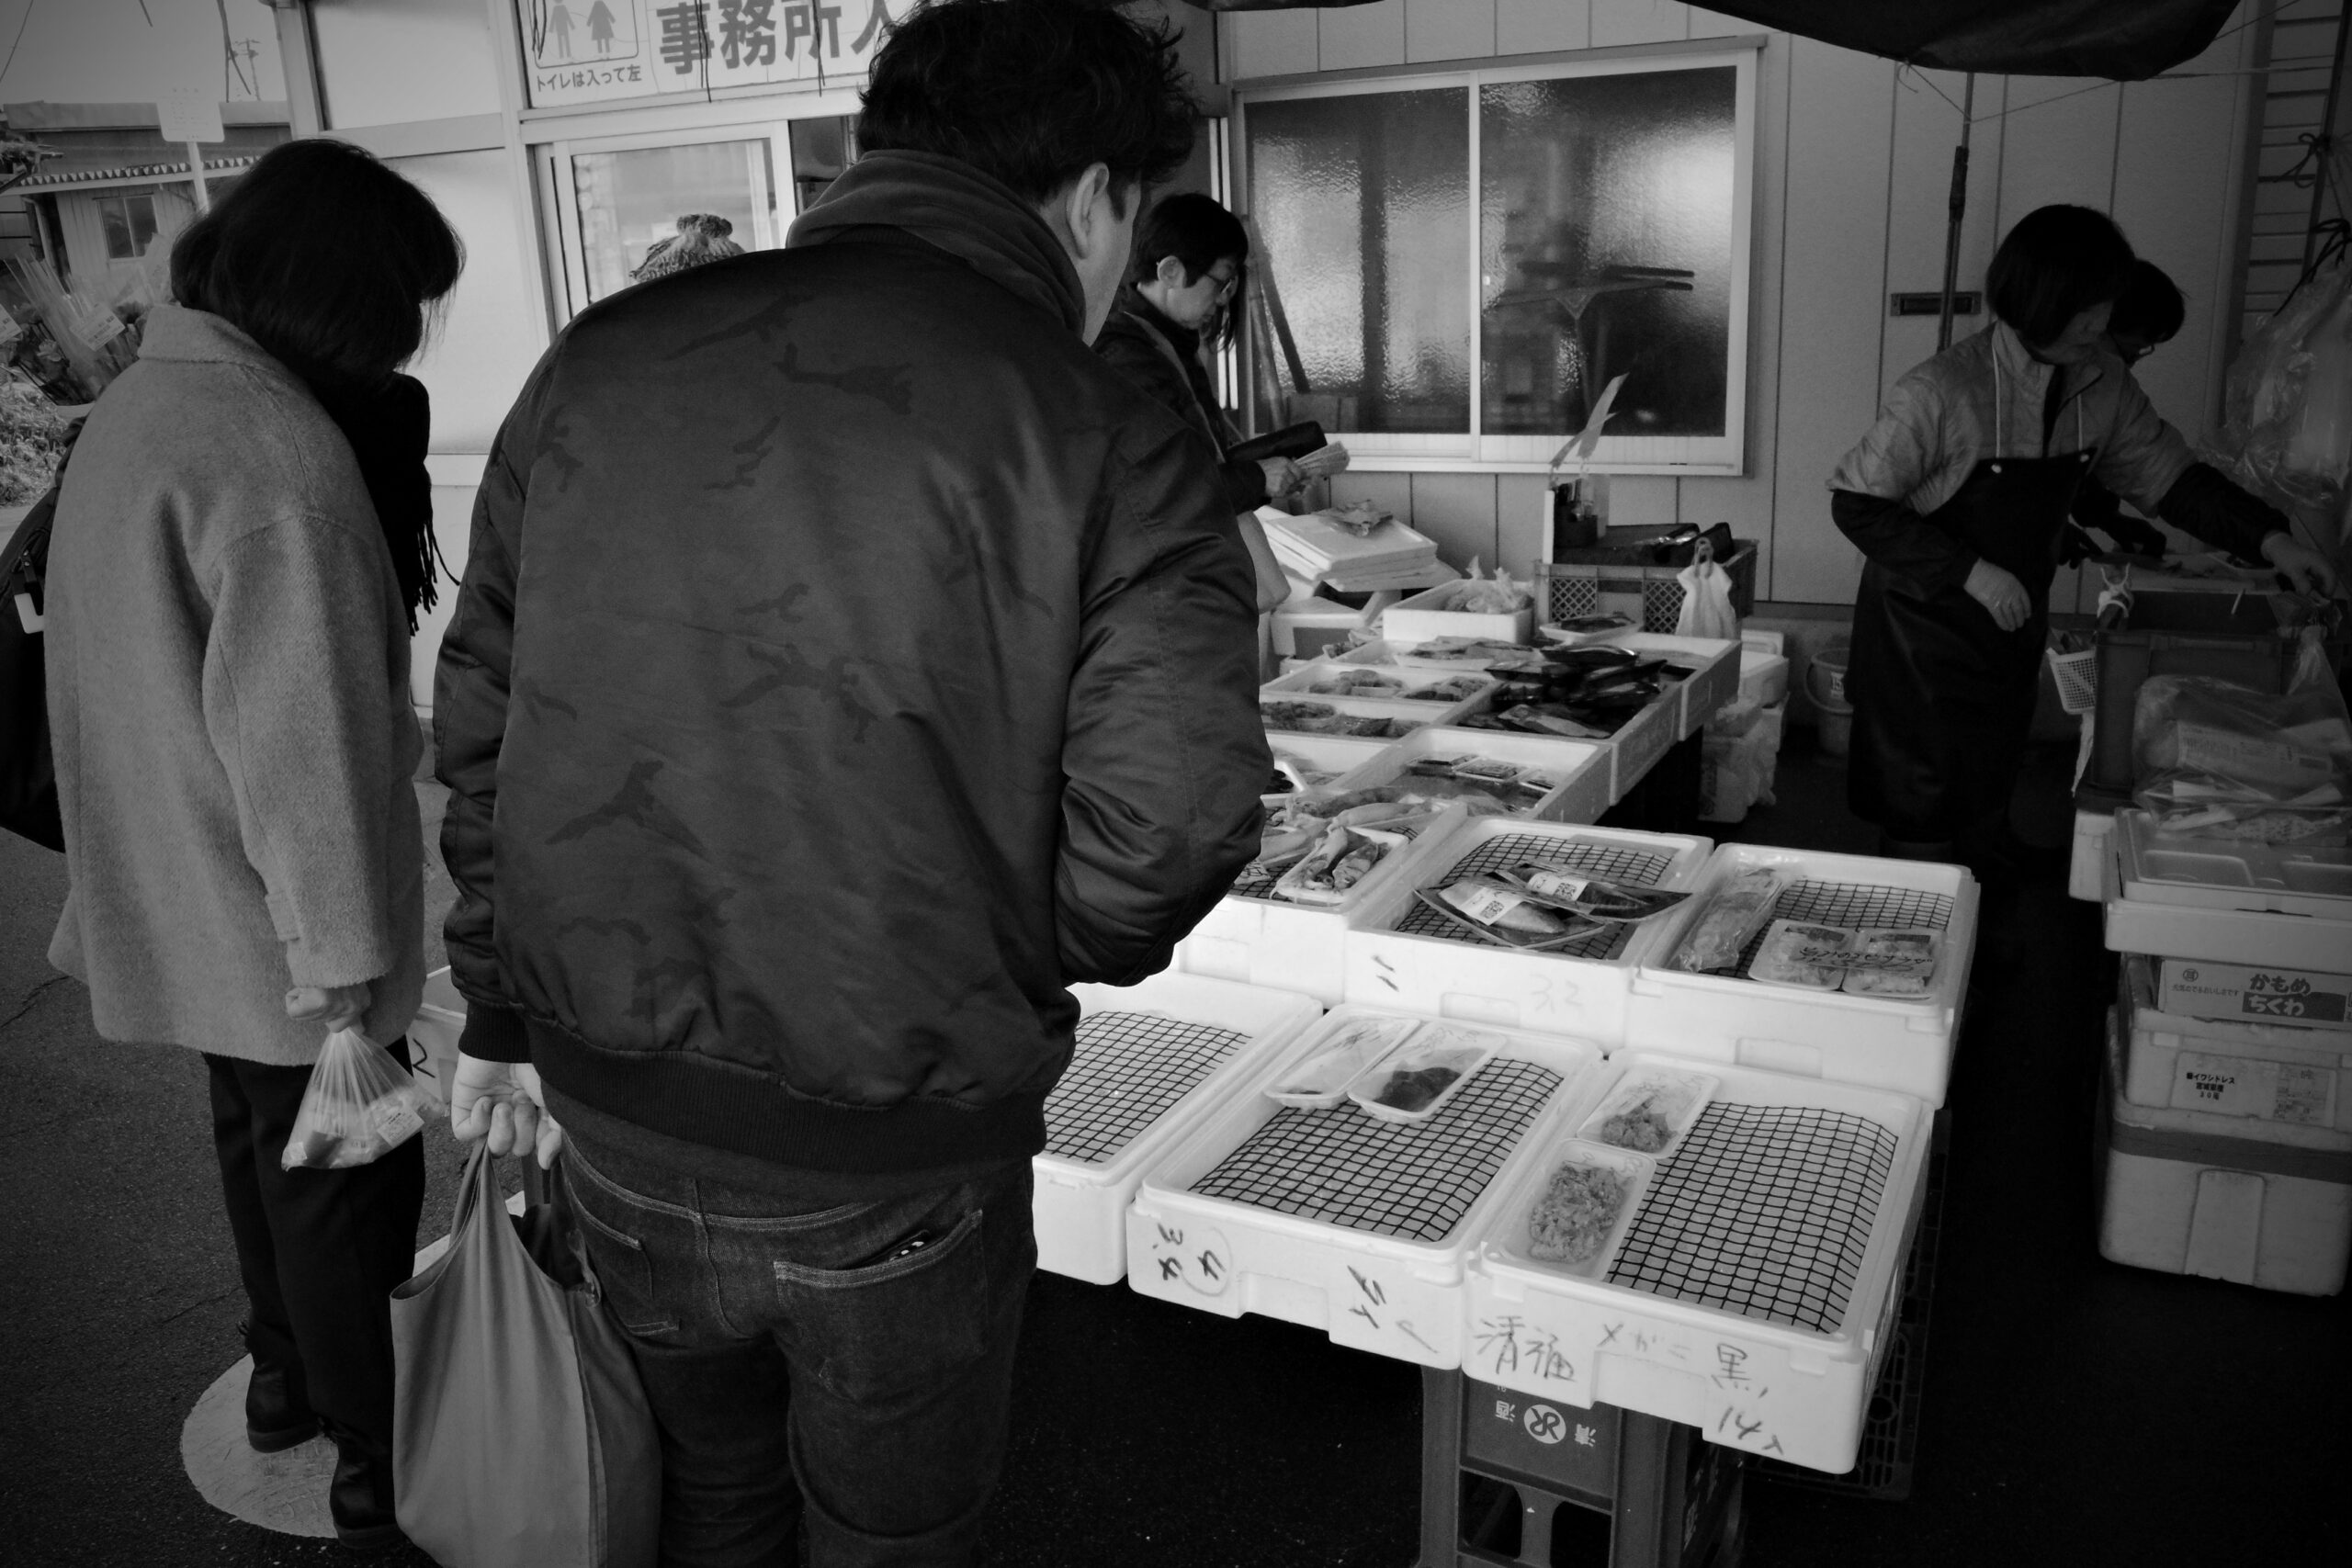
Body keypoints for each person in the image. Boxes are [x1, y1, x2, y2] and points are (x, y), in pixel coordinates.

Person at [436, 2, 1266, 1562]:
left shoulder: (602, 359)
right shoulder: (1099, 417)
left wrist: (495, 997)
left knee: (714, 1492)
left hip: (613, 1108)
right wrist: (990, 938)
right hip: (898, 1141)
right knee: (893, 1531)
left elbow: (482, 720)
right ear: (1098, 198)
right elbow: (1172, 821)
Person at [41, 139, 460, 1551]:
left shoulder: (143, 402)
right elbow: (309, 752)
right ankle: (379, 1471)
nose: (410, 331)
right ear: (344, 291)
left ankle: (284, 1380)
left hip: (181, 886)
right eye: (405, 298)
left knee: (258, 1148)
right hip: (286, 925)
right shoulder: (279, 458)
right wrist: (342, 968)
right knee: (347, 1186)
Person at [1830, 205, 2337, 871]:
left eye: (2105, 307)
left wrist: (2274, 541)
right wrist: (1973, 572)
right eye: (2087, 310)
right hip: (1919, 629)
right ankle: (1921, 912)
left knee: (1992, 761)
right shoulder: (1942, 388)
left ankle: (1989, 887)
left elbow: (2173, 479)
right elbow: (1858, 505)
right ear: (2040, 299)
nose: (2102, 325)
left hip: (2010, 625)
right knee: (1920, 793)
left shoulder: (2103, 381)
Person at [1095, 193, 1342, 611]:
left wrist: (1265, 474)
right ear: (1170, 271)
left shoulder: (1168, 347)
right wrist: (1256, 479)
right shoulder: (1129, 359)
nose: (1224, 299)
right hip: (1168, 597)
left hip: (1190, 587)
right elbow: (1161, 492)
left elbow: (1195, 466)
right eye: (1221, 282)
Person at [2067, 259, 2187, 560]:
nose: (2128, 366)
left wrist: (2109, 520)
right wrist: (2040, 532)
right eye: (2130, 351)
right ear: (2094, 325)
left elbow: (2157, 468)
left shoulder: (2102, 387)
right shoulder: (2016, 381)